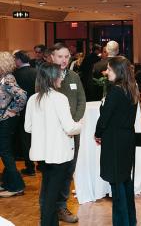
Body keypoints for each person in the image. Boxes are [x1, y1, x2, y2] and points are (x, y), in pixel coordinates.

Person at [25, 63, 82, 226]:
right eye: (60, 74)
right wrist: (81, 124)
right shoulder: (59, 98)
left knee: (49, 190)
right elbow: (70, 127)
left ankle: (47, 222)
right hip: (59, 153)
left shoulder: (33, 99)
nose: (62, 77)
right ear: (52, 77)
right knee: (52, 195)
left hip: (41, 154)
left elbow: (27, 127)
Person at [94, 56, 139, 226]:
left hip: (114, 140)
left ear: (118, 72)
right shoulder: (132, 88)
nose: (106, 73)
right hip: (127, 139)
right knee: (125, 181)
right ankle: (130, 220)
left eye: (110, 70)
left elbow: (104, 118)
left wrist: (98, 133)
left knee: (118, 186)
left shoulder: (116, 91)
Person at [50, 43, 86, 223]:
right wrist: (63, 125)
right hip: (55, 133)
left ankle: (61, 206)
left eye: (66, 57)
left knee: (69, 169)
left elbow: (81, 100)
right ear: (52, 57)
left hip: (73, 132)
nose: (64, 60)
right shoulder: (46, 78)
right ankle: (51, 207)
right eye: (60, 56)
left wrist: (75, 122)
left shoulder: (74, 76)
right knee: (55, 170)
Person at [0, 52, 27, 198]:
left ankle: (16, 186)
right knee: (5, 151)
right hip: (4, 120)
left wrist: (11, 111)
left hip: (6, 121)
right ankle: (7, 182)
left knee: (5, 152)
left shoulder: (8, 79)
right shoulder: (4, 78)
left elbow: (22, 95)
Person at [13, 50, 37, 176]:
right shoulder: (37, 72)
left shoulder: (14, 75)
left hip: (22, 111)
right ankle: (42, 165)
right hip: (38, 109)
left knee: (25, 139)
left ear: (19, 60)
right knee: (38, 137)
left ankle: (30, 166)